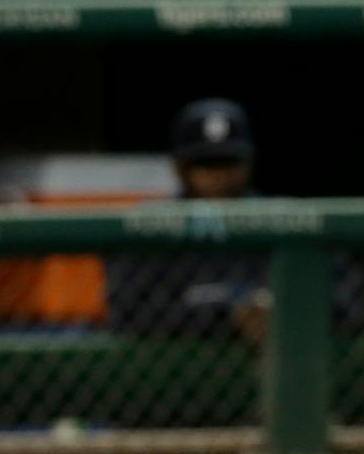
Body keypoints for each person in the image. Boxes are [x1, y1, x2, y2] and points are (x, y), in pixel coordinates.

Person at [104, 99, 272, 341]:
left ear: (248, 164)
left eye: (228, 162)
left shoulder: (279, 220)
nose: (218, 175)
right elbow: (127, 316)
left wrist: (281, 312)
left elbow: (341, 303)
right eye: (206, 163)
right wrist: (228, 316)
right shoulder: (153, 227)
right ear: (180, 168)